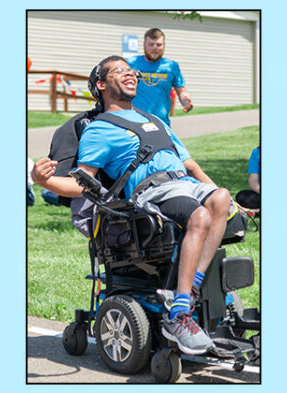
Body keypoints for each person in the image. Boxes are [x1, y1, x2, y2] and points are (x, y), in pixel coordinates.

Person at [32, 56, 231, 355]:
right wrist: (43, 181)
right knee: (200, 215)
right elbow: (82, 182)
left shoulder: (155, 120)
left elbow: (190, 165)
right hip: (152, 191)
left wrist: (218, 192)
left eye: (131, 70)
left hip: (184, 184)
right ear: (101, 85)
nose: (130, 74)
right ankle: (178, 316)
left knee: (221, 197)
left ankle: (187, 292)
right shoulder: (100, 129)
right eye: (120, 71)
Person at [127, 28, 193, 125]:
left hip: (162, 124)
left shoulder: (172, 66)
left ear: (164, 45)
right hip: (135, 123)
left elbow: (181, 91)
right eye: (151, 44)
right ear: (144, 45)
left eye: (159, 45)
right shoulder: (131, 63)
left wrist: (185, 101)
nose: (155, 48)